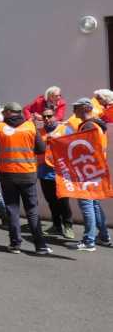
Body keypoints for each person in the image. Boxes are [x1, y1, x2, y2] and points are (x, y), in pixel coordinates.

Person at [0, 102, 51, 255]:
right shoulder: (30, 127)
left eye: (4, 112)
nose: (2, 114)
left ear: (9, 112)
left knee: (12, 209)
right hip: (27, 174)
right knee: (32, 210)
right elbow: (41, 149)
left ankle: (15, 244)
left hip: (7, 175)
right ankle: (40, 246)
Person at [70, 98, 111, 251]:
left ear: (85, 108)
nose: (74, 110)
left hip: (88, 170)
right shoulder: (96, 124)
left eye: (76, 107)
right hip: (95, 169)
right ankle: (104, 237)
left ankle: (89, 241)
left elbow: (84, 149)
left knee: (87, 204)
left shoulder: (88, 126)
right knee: (93, 204)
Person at [37, 107, 75, 239]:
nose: (47, 119)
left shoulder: (65, 130)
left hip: (61, 172)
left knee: (63, 200)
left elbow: (72, 147)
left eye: (49, 116)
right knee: (51, 201)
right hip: (44, 172)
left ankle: (68, 226)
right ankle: (56, 225)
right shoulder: (39, 132)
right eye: (44, 117)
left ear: (55, 117)